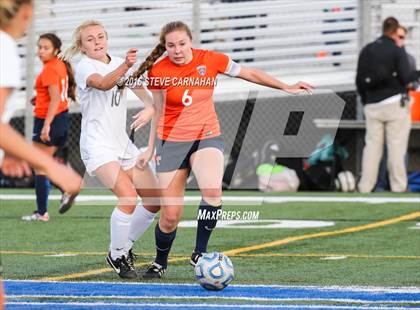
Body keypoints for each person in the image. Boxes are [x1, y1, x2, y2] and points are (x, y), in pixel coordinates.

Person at [128, 21, 313, 278]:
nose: (178, 50)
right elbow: (158, 111)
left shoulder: (212, 60)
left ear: (190, 41)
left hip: (207, 137)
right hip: (170, 142)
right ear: (165, 47)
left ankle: (199, 254)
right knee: (170, 215)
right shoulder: (158, 71)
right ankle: (160, 263)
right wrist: (150, 149)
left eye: (182, 44)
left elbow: (249, 73)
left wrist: (285, 86)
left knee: (213, 192)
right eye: (171, 45)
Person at [62, 20, 161, 279]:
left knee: (153, 200)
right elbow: (105, 83)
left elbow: (148, 98)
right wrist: (126, 66)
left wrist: (150, 108)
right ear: (82, 47)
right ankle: (117, 254)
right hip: (97, 146)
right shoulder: (84, 67)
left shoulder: (117, 61)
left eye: (100, 36)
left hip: (122, 144)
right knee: (128, 198)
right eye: (90, 39)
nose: (97, 41)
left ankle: (124, 246)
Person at [0, 0, 81, 308]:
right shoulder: (5, 45)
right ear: (27, 11)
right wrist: (54, 167)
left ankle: (42, 209)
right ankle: (44, 207)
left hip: (51, 120)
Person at [356, 17, 420, 193]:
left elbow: (359, 80)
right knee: (396, 148)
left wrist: (365, 99)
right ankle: (398, 187)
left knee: (372, 149)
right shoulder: (396, 50)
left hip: (372, 104)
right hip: (393, 104)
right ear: (394, 32)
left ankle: (365, 187)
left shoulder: (368, 50)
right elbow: (406, 78)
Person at [21, 33, 77, 222]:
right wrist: (38, 99)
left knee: (39, 165)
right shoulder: (57, 65)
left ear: (55, 50)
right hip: (59, 118)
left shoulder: (50, 69)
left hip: (50, 120)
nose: (41, 51)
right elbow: (56, 95)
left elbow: (55, 99)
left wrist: (46, 126)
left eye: (46, 48)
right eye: (39, 47)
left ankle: (43, 211)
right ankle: (64, 190)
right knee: (41, 164)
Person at [374, 25, 417, 192]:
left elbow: (411, 82)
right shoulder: (380, 56)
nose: (398, 40)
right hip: (381, 105)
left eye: (401, 37)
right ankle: (380, 184)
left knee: (398, 148)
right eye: (396, 37)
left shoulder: (408, 58)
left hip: (399, 107)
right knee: (381, 148)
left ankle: (398, 185)